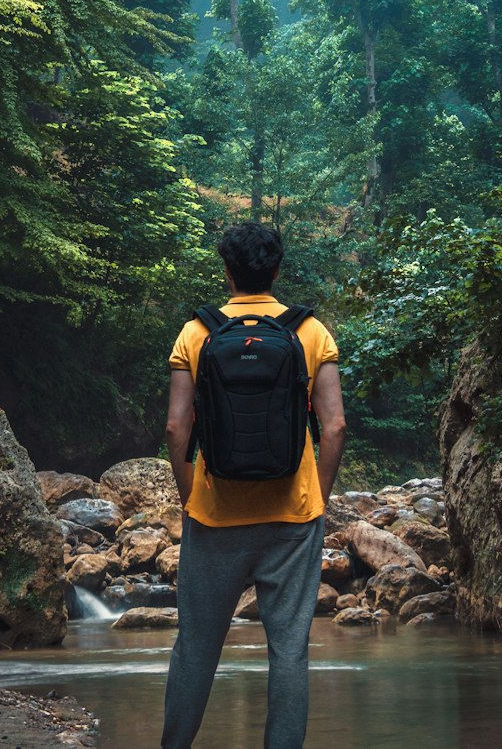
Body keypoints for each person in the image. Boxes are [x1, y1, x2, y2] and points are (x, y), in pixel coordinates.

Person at [161, 221, 347, 749]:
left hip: (215, 516)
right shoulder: (310, 331)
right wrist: (319, 499)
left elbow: (177, 428)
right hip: (293, 518)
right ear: (277, 269)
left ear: (227, 271)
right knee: (289, 651)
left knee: (196, 647)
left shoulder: (197, 333)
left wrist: (191, 497)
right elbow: (333, 427)